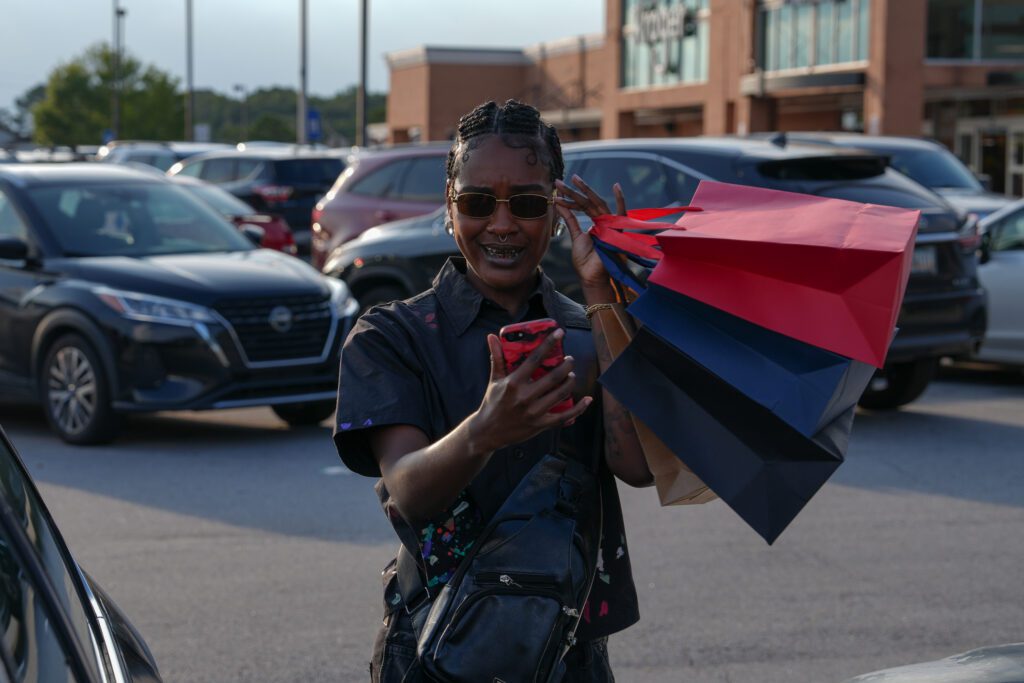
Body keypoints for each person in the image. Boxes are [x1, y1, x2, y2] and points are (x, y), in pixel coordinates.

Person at [334, 99, 653, 682]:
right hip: (437, 649)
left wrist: (601, 294)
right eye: (478, 202)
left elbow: (637, 466)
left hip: (567, 656)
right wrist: (485, 432)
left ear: (556, 211)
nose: (502, 225)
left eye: (527, 204)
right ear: (449, 204)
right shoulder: (392, 336)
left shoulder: (591, 329)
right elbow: (407, 491)